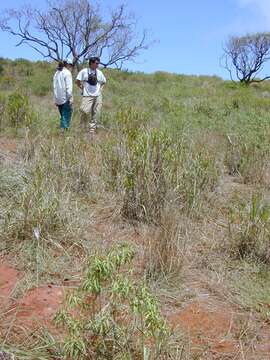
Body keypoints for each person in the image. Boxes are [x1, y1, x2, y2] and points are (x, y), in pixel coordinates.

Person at [76, 56, 106, 135]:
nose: (98, 65)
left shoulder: (99, 72)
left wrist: (100, 90)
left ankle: (92, 129)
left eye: (98, 63)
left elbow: (104, 81)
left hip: (97, 95)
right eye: (96, 63)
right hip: (87, 95)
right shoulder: (84, 71)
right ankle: (83, 126)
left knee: (96, 112)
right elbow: (77, 81)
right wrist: (82, 88)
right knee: (84, 111)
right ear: (91, 63)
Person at [53, 58, 73, 132]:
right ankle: (63, 130)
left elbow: (54, 86)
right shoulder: (67, 73)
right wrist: (70, 97)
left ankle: (64, 130)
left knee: (62, 115)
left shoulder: (57, 73)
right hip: (65, 98)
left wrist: (55, 98)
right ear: (67, 64)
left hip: (58, 98)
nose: (71, 66)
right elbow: (69, 87)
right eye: (70, 65)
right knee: (66, 114)